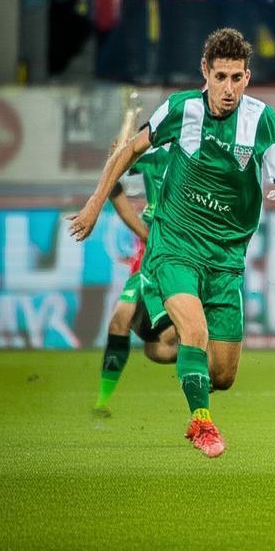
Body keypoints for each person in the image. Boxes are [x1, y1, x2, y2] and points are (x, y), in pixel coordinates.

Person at [69, 28, 275, 458]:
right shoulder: (181, 109)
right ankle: (201, 423)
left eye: (237, 78)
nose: (228, 89)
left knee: (222, 374)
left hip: (226, 259)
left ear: (248, 77)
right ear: (205, 71)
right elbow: (128, 151)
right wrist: (94, 205)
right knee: (195, 331)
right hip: (176, 246)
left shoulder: (263, 121)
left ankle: (163, 347)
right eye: (220, 77)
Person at [93, 143, 178, 416]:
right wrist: (116, 156)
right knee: (119, 321)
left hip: (180, 258)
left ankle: (206, 355)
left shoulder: (196, 155)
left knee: (159, 348)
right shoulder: (155, 157)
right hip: (147, 260)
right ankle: (102, 401)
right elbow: (114, 184)